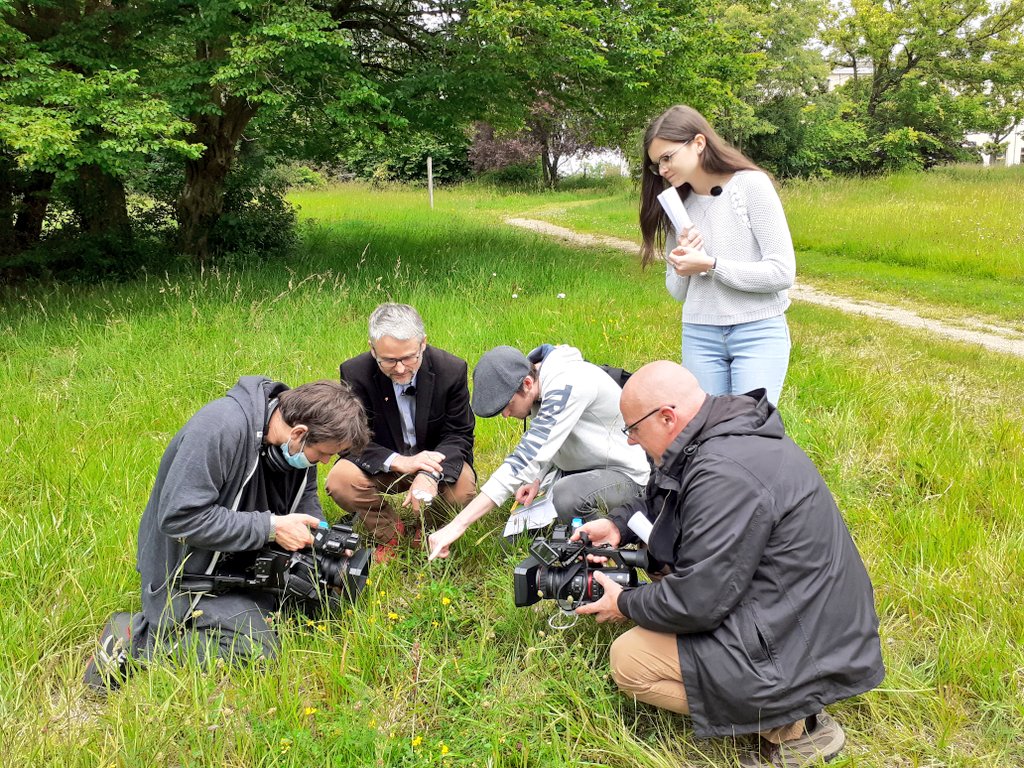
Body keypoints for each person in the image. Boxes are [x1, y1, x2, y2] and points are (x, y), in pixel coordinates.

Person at [574, 361, 884, 768]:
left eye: (632, 429)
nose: (631, 441)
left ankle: (794, 725)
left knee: (630, 661)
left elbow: (696, 603)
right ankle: (776, 700)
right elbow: (665, 498)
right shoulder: (714, 431)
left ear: (667, 417)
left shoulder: (723, 472)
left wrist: (625, 603)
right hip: (797, 607)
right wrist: (618, 527)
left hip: (802, 638)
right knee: (661, 563)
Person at [84, 377, 369, 690]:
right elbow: (180, 518)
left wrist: (318, 535)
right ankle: (133, 639)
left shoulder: (296, 444)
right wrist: (271, 528)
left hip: (240, 559)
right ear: (299, 433)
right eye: (323, 454)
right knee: (257, 652)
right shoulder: (217, 429)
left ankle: (240, 610)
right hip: (187, 571)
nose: (325, 461)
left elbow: (305, 493)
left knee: (314, 607)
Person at [428, 344, 650, 560]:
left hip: (624, 475)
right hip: (575, 470)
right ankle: (568, 529)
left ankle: (605, 547)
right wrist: (537, 478)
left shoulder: (568, 383)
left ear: (526, 383)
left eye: (507, 405)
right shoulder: (536, 382)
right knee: (510, 544)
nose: (505, 415)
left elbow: (525, 457)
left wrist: (458, 525)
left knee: (567, 495)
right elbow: (549, 444)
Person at [640, 104, 796, 405]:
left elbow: (781, 272)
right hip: (700, 334)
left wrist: (711, 264)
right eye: (656, 164)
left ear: (698, 143)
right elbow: (677, 291)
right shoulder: (677, 206)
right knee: (707, 435)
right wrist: (683, 262)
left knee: (748, 432)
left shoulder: (750, 185)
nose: (662, 170)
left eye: (667, 157)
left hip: (758, 330)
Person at [326, 303, 476, 561]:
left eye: (409, 357)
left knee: (463, 489)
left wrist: (428, 473)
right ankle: (389, 532)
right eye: (389, 360)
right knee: (340, 480)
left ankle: (429, 528)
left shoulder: (451, 370)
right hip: (385, 465)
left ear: (423, 344)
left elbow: (458, 434)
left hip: (436, 462)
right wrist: (400, 462)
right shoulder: (355, 373)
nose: (400, 368)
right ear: (373, 350)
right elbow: (352, 438)